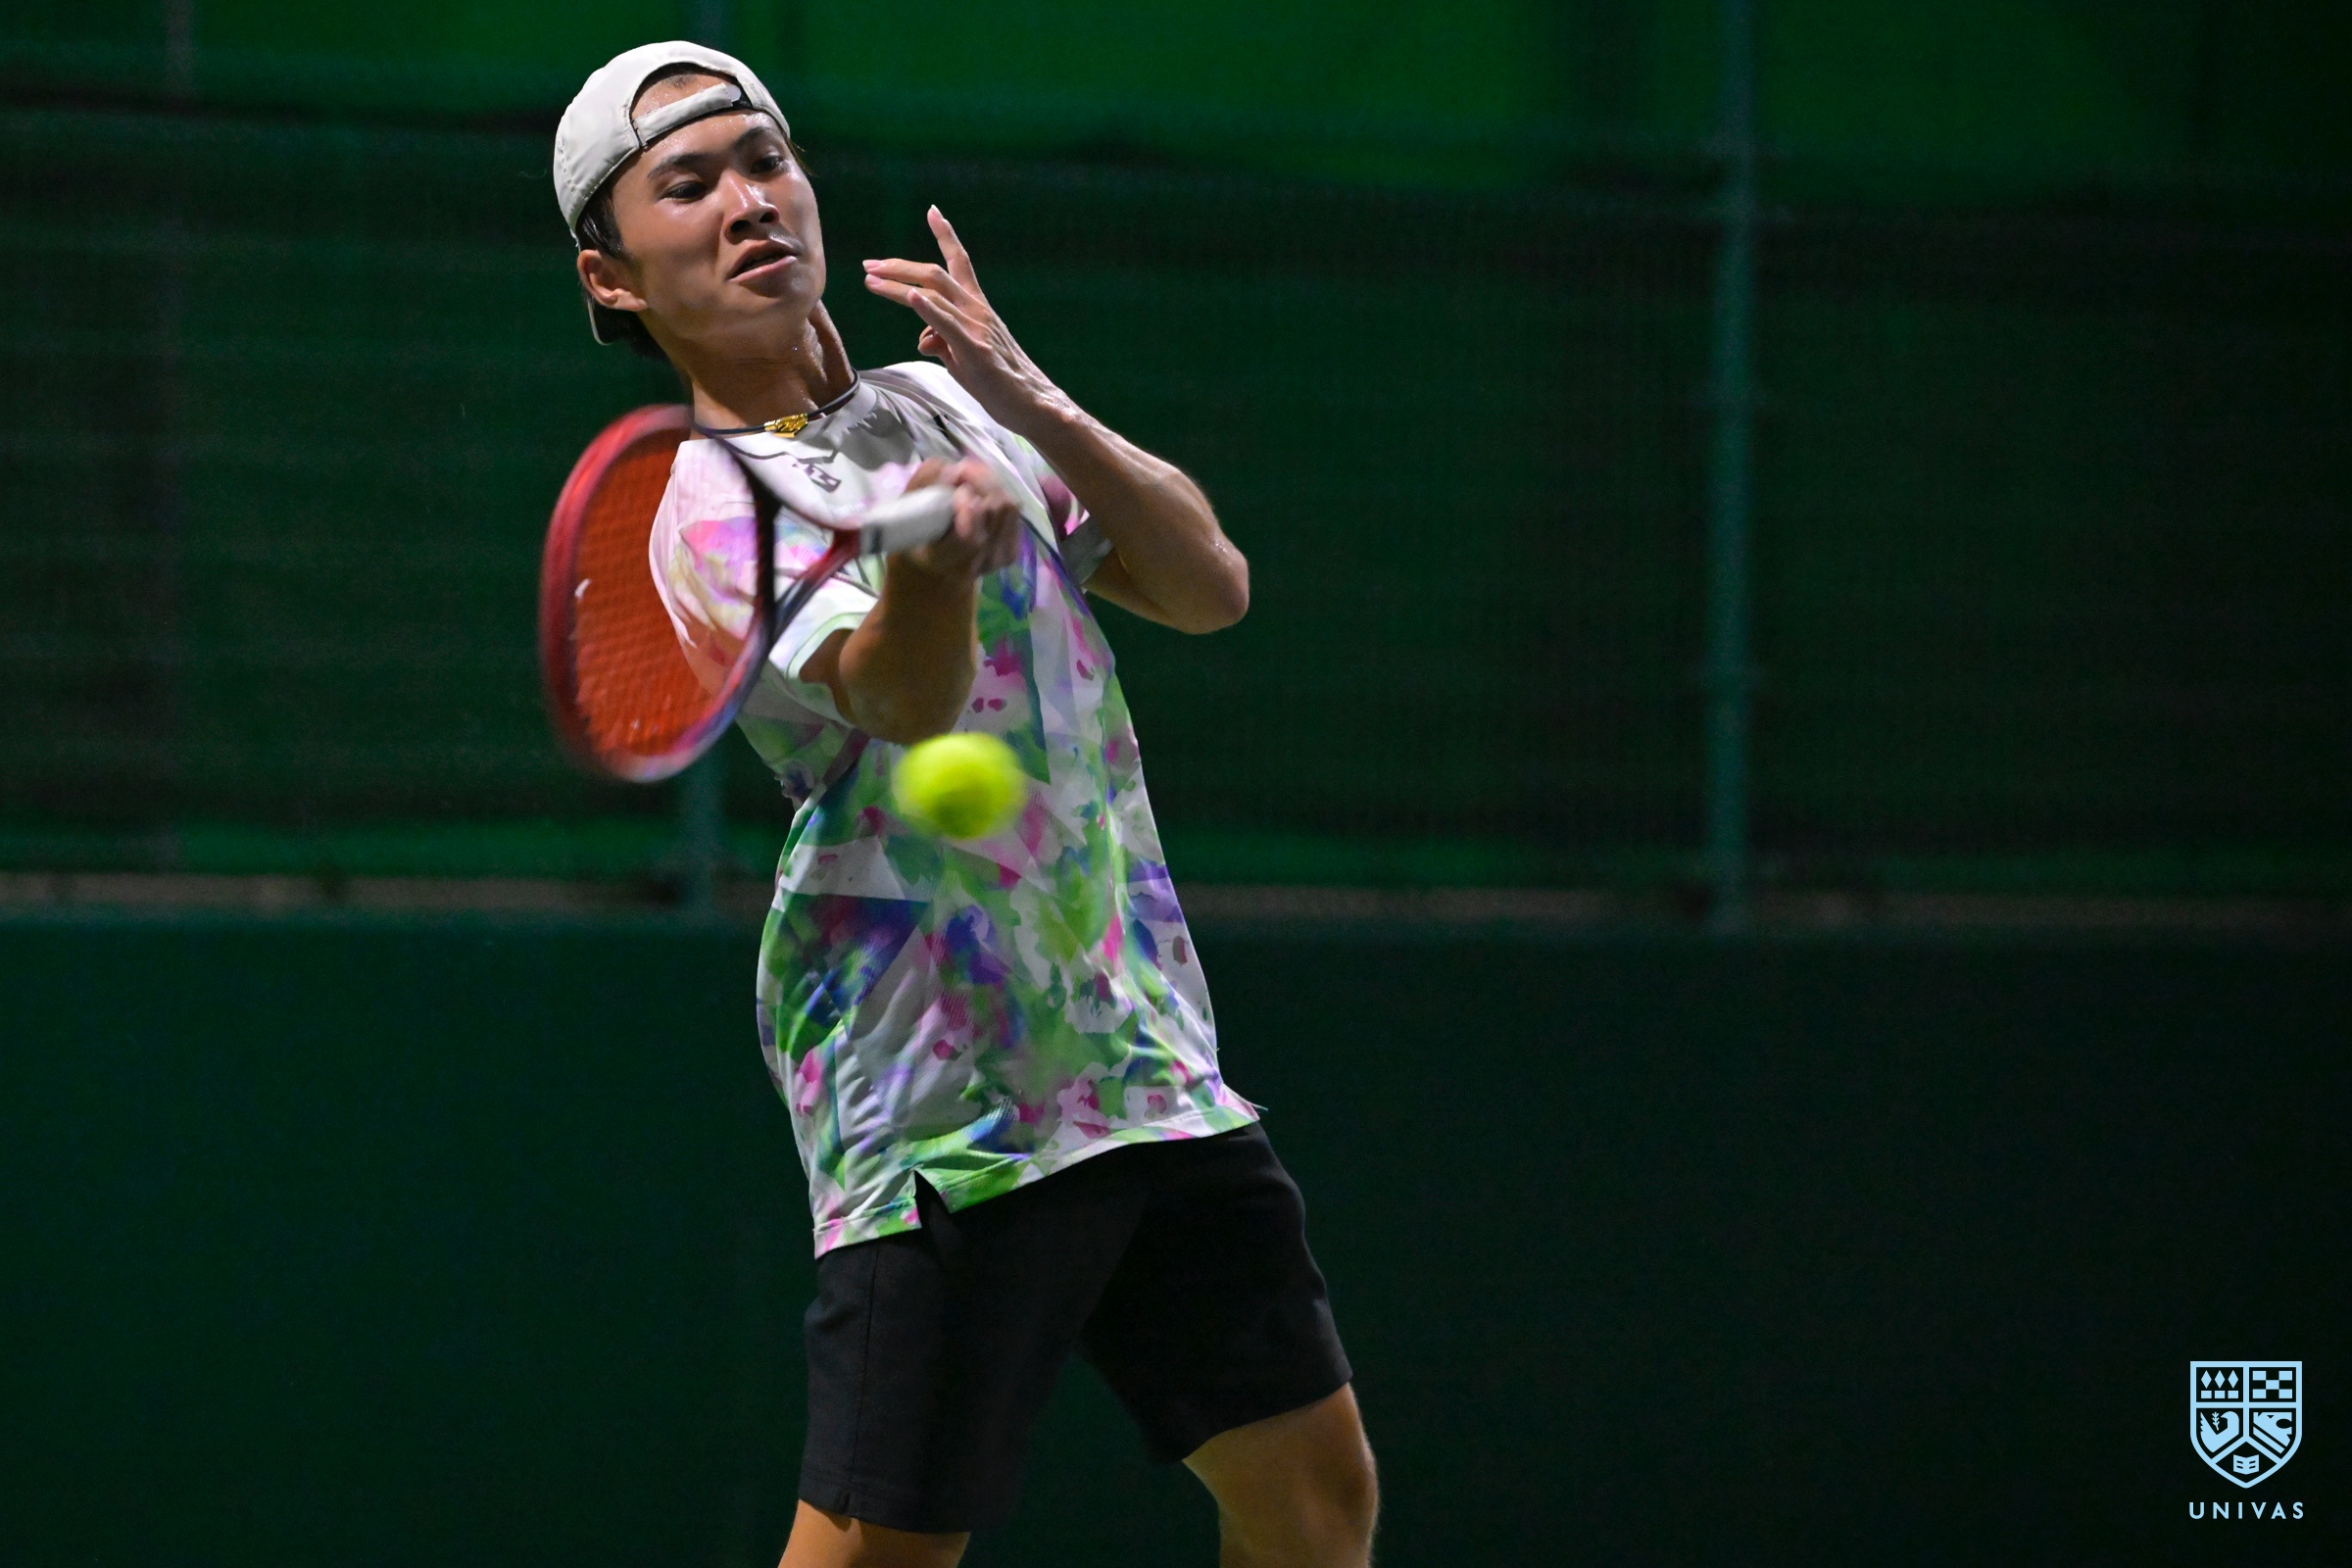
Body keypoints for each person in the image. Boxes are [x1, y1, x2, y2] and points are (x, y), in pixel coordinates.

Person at [552, 43, 1378, 1568]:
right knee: (883, 1553)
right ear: (614, 278)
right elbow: (900, 700)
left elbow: (1208, 585)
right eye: (690, 185)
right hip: (945, 1099)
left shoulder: (940, 402)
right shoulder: (705, 505)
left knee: (1316, 1500)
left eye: (765, 160)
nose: (749, 201)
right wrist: (931, 566)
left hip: (1135, 1046)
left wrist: (1027, 395)